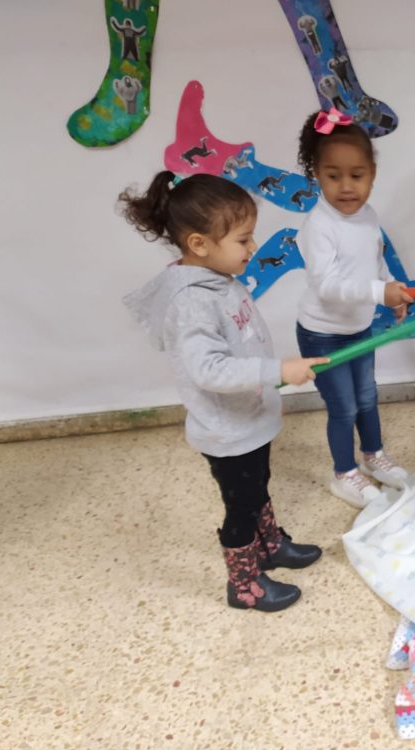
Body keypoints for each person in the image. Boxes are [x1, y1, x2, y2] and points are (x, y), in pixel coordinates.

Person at [120, 172, 327, 613]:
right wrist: (279, 371)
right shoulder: (192, 301)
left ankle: (270, 545)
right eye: (243, 239)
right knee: (241, 507)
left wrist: (272, 383)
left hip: (247, 420)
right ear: (199, 244)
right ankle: (244, 583)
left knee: (259, 487)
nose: (253, 248)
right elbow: (209, 369)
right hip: (227, 432)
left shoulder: (218, 279)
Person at [294, 108, 414, 508]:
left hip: (358, 328)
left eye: (357, 176)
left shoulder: (367, 216)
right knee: (343, 407)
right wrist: (380, 293)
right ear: (317, 175)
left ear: (372, 175)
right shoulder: (319, 225)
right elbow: (327, 286)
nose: (346, 187)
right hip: (321, 333)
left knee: (366, 397)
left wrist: (392, 290)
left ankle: (373, 455)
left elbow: (373, 262)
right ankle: (344, 474)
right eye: (333, 176)